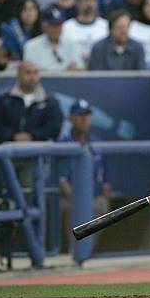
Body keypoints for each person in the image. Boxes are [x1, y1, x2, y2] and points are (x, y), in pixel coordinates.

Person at [57, 99, 110, 252]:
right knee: (71, 209)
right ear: (71, 118)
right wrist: (80, 202)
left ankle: (85, 251)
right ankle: (75, 252)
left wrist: (104, 198)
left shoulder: (97, 142)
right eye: (79, 115)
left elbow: (106, 180)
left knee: (103, 207)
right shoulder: (63, 143)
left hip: (95, 197)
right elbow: (62, 181)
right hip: (71, 198)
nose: (84, 119)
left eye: (87, 115)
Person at [0, 60, 63, 146]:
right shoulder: (3, 100)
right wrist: (13, 136)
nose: (32, 77)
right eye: (27, 73)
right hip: (7, 150)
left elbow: (54, 127)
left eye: (35, 73)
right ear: (18, 75)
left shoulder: (49, 101)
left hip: (40, 152)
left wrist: (32, 135)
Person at [24, 6, 82, 71]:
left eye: (59, 25)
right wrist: (64, 72)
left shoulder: (72, 44)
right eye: (53, 25)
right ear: (44, 25)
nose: (56, 29)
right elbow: (30, 72)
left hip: (69, 81)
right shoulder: (32, 46)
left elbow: (78, 69)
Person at [62, 0, 109, 66]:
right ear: (77, 3)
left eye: (93, 0)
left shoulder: (105, 25)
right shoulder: (66, 27)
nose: (90, 4)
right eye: (86, 0)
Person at [0, 0, 42, 67]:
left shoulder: (44, 30)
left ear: (38, 12)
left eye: (33, 9)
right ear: (19, 11)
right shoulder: (10, 29)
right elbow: (2, 57)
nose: (29, 12)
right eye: (25, 9)